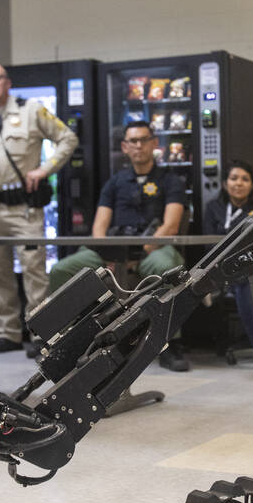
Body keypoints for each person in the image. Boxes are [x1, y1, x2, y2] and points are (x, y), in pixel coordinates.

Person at [46, 121, 189, 371]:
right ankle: (73, 341)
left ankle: (170, 343)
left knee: (168, 268)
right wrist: (109, 252)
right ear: (125, 147)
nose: (138, 145)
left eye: (144, 139)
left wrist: (137, 253)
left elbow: (171, 226)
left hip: (152, 249)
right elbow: (99, 228)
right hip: (112, 250)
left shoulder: (170, 181)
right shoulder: (115, 182)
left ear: (155, 143)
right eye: (133, 141)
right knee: (63, 270)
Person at [0, 62, 78, 357]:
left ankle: (41, 334)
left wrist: (44, 170)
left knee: (34, 271)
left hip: (25, 207)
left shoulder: (32, 110)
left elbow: (68, 138)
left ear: (7, 82)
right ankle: (8, 333)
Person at [203, 160, 253, 365]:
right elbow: (208, 245)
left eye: (245, 179)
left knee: (247, 280)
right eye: (234, 178)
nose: (239, 183)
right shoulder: (213, 208)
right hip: (222, 268)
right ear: (225, 184)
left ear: (252, 185)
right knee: (244, 281)